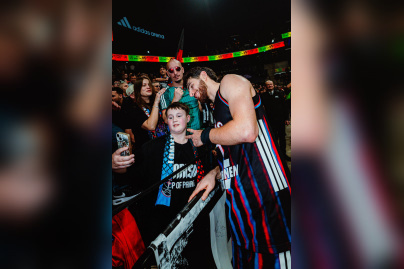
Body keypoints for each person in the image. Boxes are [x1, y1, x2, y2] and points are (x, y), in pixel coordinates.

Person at [185, 67, 291, 269]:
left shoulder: (229, 82)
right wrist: (214, 174)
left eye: (191, 85)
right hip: (243, 202)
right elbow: (235, 153)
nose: (191, 93)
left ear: (204, 76)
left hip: (266, 192)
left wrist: (205, 135)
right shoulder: (216, 110)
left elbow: (246, 131)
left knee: (277, 259)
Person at [132, 102, 214, 268]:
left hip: (194, 218)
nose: (174, 120)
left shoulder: (200, 147)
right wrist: (117, 164)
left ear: (188, 118)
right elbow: (131, 173)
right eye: (170, 117)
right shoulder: (152, 148)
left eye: (179, 116)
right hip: (164, 220)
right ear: (166, 121)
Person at [125, 77, 167, 150]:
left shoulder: (160, 101)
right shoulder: (133, 108)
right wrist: (156, 102)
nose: (148, 87)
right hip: (148, 148)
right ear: (137, 89)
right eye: (144, 85)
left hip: (165, 143)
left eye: (149, 84)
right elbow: (150, 126)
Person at [159, 59, 202, 131]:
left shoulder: (193, 86)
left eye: (177, 69)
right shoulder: (165, 92)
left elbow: (201, 108)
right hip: (180, 137)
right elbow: (166, 120)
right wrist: (175, 100)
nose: (175, 73)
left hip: (198, 134)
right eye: (171, 71)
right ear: (168, 73)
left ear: (182, 70)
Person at [261, 80, 290, 161]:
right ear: (265, 86)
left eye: (271, 84)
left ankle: (284, 155)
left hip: (280, 120)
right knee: (274, 138)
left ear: (273, 85)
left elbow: (285, 107)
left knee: (282, 138)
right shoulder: (263, 96)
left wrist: (287, 118)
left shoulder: (280, 94)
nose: (270, 86)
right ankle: (276, 156)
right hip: (270, 121)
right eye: (268, 85)